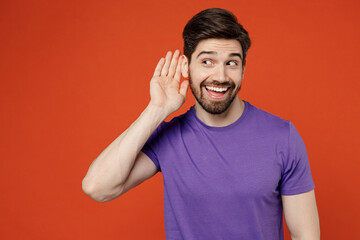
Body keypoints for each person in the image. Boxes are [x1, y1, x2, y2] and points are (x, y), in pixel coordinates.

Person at [82, 8, 320, 240]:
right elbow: (98, 187)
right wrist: (156, 110)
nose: (220, 76)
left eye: (231, 63)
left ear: (243, 69)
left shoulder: (282, 136)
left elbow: (305, 234)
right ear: (186, 66)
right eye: (207, 61)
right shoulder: (169, 137)